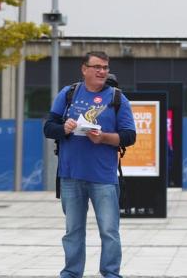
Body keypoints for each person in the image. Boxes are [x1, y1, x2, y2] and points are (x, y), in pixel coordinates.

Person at [44, 51, 136, 278]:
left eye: (105, 67)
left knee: (109, 231)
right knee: (73, 231)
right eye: (97, 67)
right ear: (84, 69)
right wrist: (64, 128)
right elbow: (49, 127)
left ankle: (111, 273)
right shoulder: (68, 94)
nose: (102, 71)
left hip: (103, 177)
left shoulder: (117, 98)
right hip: (70, 175)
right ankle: (71, 273)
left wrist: (103, 137)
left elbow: (129, 136)